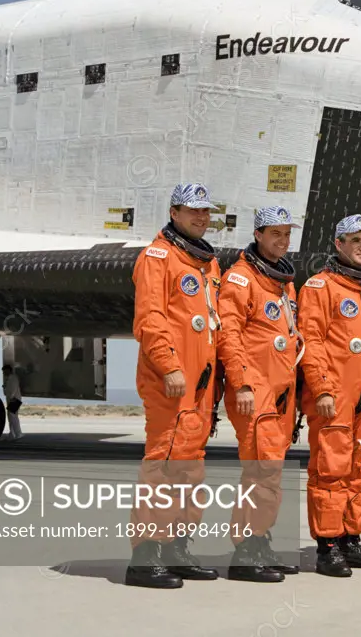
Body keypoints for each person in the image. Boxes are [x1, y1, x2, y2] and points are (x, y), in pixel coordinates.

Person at [126, 183, 223, 589]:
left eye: (205, 212)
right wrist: (169, 367)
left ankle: (176, 547)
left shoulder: (206, 263)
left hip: (199, 386)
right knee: (164, 466)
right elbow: (150, 319)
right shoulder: (158, 258)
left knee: (189, 468)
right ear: (174, 212)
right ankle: (145, 557)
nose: (201, 217)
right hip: (171, 383)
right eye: (192, 211)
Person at [296, 214, 361, 577]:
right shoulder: (319, 287)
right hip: (335, 395)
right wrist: (322, 388)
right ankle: (327, 547)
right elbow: (311, 342)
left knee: (356, 469)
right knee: (330, 468)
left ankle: (350, 539)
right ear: (338, 244)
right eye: (355, 241)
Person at [216, 206, 306, 582]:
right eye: (275, 234)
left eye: (287, 234)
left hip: (280, 393)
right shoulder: (240, 279)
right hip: (255, 391)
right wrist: (241, 384)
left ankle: (260, 539)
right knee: (260, 470)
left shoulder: (283, 282)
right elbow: (229, 335)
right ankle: (244, 550)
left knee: (270, 472)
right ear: (257, 234)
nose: (282, 241)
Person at [1, 364, 22, 440]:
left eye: (4, 371)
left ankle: (18, 433)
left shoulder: (13, 378)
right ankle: (12, 433)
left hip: (14, 400)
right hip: (12, 400)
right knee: (11, 416)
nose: (3, 373)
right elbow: (6, 392)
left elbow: (12, 391)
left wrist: (11, 397)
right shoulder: (9, 379)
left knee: (13, 416)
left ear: (8, 370)